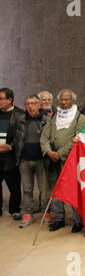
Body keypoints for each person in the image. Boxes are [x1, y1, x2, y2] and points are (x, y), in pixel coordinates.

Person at [40, 89, 85, 233]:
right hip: (52, 160)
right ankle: (58, 218)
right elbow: (44, 137)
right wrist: (48, 151)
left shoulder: (80, 118)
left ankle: (78, 221)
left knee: (73, 191)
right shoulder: (52, 117)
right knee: (55, 191)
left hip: (70, 160)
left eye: (67, 100)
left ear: (73, 101)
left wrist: (60, 154)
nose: (64, 103)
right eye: (62, 100)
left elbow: (77, 139)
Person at [18, 95, 51, 228]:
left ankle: (45, 213)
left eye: (33, 103)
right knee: (27, 189)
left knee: (44, 190)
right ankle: (28, 213)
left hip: (41, 160)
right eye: (27, 104)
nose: (30, 106)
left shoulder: (46, 119)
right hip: (25, 160)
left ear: (39, 105)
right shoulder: (20, 119)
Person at [0, 88, 26, 220]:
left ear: (9, 100)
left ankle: (14, 210)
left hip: (11, 156)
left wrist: (10, 146)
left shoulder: (19, 114)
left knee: (14, 186)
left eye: (1, 98)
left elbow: (21, 137)